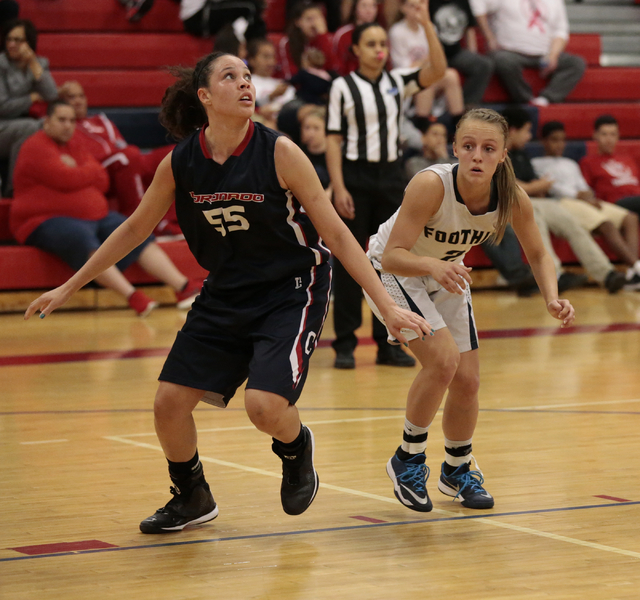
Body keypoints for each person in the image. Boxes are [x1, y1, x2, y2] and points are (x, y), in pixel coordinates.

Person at [24, 53, 432, 533]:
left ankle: (296, 447)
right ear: (204, 96)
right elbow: (135, 228)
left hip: (292, 288)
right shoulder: (182, 162)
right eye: (230, 77)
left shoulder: (279, 151)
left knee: (263, 407)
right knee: (168, 403)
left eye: (247, 77)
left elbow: (339, 236)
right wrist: (70, 285)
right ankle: (192, 496)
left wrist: (386, 307)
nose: (245, 85)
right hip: (226, 290)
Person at [366, 108, 575, 513]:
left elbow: (536, 251)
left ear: (502, 156)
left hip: (446, 274)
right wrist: (434, 266)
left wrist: (551, 296)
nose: (477, 155)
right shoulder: (431, 186)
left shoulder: (511, 196)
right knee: (442, 362)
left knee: (468, 381)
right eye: (469, 146)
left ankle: (456, 468)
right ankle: (407, 460)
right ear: (456, 150)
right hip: (394, 271)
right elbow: (392, 256)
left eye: (488, 148)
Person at [326, 11, 447, 370]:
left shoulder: (398, 80)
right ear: (356, 50)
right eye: (372, 44)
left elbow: (438, 71)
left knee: (390, 262)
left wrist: (427, 24)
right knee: (351, 262)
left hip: (391, 177)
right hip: (355, 177)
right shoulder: (342, 86)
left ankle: (390, 341)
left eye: (383, 44)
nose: (379, 50)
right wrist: (340, 186)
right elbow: (333, 139)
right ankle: (345, 344)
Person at [10, 101, 202, 317]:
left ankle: (184, 287)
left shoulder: (76, 145)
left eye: (72, 120)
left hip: (92, 217)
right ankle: (133, 297)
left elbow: (102, 180)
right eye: (61, 120)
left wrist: (80, 172)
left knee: (132, 229)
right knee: (79, 237)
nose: (68, 125)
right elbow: (65, 178)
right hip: (42, 220)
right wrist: (85, 172)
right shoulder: (35, 146)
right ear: (46, 122)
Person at [406, 118, 538, 295]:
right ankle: (517, 275)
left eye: (442, 135)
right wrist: (442, 157)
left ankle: (518, 274)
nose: (439, 139)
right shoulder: (415, 163)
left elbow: (539, 254)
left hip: (456, 227)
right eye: (434, 134)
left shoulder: (509, 192)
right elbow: (446, 182)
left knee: (499, 227)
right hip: (430, 220)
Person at [502, 106, 626, 294]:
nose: (529, 137)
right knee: (535, 218)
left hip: (538, 200)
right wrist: (537, 187)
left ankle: (606, 274)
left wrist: (537, 187)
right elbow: (513, 187)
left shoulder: (521, 154)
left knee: (571, 223)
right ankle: (554, 275)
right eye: (527, 131)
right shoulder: (497, 152)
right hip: (513, 203)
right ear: (513, 131)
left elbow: (534, 184)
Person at [57, 80, 179, 236]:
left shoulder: (100, 120)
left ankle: (172, 220)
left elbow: (120, 144)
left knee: (175, 154)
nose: (78, 101)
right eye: (71, 97)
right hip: (99, 168)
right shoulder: (65, 127)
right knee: (127, 156)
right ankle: (139, 221)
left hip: (124, 162)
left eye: (81, 96)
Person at [533, 121, 640, 291]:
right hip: (564, 202)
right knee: (606, 224)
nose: (559, 144)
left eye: (562, 140)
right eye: (554, 140)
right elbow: (550, 187)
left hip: (586, 200)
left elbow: (583, 185)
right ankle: (637, 268)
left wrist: (588, 196)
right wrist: (579, 196)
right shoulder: (537, 163)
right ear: (543, 141)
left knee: (631, 217)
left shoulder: (571, 163)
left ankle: (632, 271)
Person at [470, 0, 585, 106]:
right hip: (510, 51)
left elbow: (561, 30)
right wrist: (489, 37)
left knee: (576, 63)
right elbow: (478, 6)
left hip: (544, 53)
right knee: (502, 60)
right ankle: (525, 99)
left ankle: (547, 98)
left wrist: (553, 55)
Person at [0, 18, 58, 196]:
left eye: (18, 40)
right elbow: (2, 107)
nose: (12, 44)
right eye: (9, 39)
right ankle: (14, 188)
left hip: (18, 125)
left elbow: (51, 95)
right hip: (3, 124)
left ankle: (49, 188)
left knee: (49, 127)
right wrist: (31, 97)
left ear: (29, 43)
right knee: (30, 127)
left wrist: (33, 62)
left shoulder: (38, 63)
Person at [388, 0, 464, 121]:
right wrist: (426, 61)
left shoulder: (430, 27)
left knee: (451, 75)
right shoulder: (397, 31)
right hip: (405, 79)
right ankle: (422, 124)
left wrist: (426, 62)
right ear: (403, 8)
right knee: (427, 79)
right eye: (411, 6)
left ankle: (458, 122)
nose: (415, 10)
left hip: (427, 70)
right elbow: (403, 66)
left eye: (418, 7)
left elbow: (438, 58)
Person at [429, 0, 492, 106]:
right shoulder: (429, 3)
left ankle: (468, 104)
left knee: (483, 65)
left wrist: (472, 53)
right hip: (432, 54)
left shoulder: (463, 2)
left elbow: (469, 29)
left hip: (455, 52)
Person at [580, 115, 640, 220]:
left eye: (613, 134)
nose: (609, 139)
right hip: (614, 204)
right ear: (595, 135)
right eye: (604, 134)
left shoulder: (628, 159)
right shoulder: (587, 162)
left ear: (618, 136)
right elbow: (586, 190)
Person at [247, 38, 297, 130]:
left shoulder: (281, 84)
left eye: (273, 57)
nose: (271, 62)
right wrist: (271, 96)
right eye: (266, 57)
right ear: (252, 60)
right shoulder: (247, 83)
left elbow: (293, 105)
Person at [332, 0, 382, 77]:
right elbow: (338, 64)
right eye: (364, 6)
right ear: (355, 9)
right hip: (349, 80)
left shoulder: (380, 33)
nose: (369, 11)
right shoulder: (343, 34)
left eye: (373, 6)